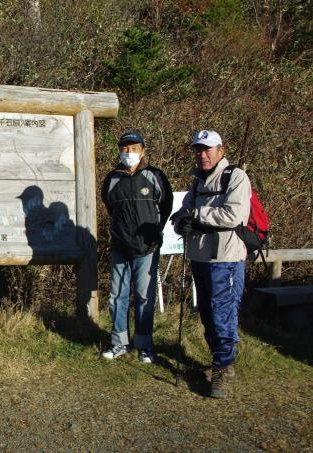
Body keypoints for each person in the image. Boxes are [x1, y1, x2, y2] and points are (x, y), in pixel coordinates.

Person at [170, 130, 250, 399]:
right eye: (198, 150)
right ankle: (219, 359)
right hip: (200, 257)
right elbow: (185, 211)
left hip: (225, 258)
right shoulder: (197, 181)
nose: (202, 155)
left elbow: (233, 215)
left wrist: (196, 215)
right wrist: (182, 220)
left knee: (222, 313)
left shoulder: (235, 177)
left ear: (221, 150)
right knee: (206, 311)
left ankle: (223, 368)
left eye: (207, 149)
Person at [100, 132, 173, 363]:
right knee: (117, 298)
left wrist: (155, 230)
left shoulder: (155, 176)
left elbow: (167, 205)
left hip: (147, 249)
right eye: (124, 148)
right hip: (120, 248)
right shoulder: (112, 179)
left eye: (133, 148)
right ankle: (119, 344)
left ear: (142, 150)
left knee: (144, 298)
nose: (128, 153)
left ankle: (144, 346)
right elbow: (110, 207)